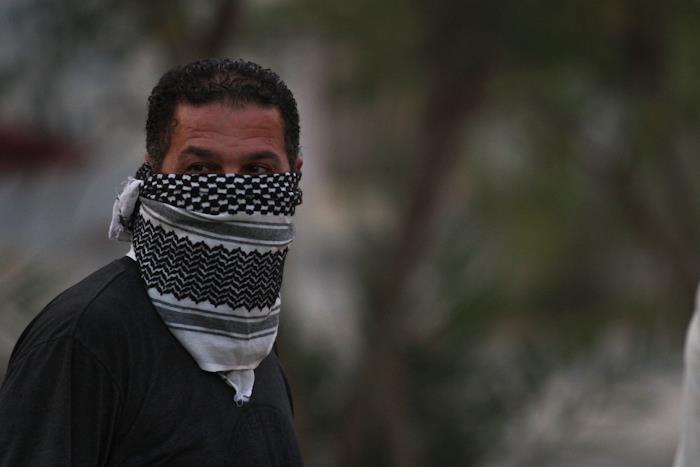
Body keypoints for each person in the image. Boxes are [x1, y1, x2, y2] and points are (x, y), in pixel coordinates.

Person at [0, 58, 305, 466]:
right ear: (153, 172)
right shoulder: (87, 338)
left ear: (293, 175)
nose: (231, 194)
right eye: (201, 169)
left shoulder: (256, 344)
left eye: (257, 171)